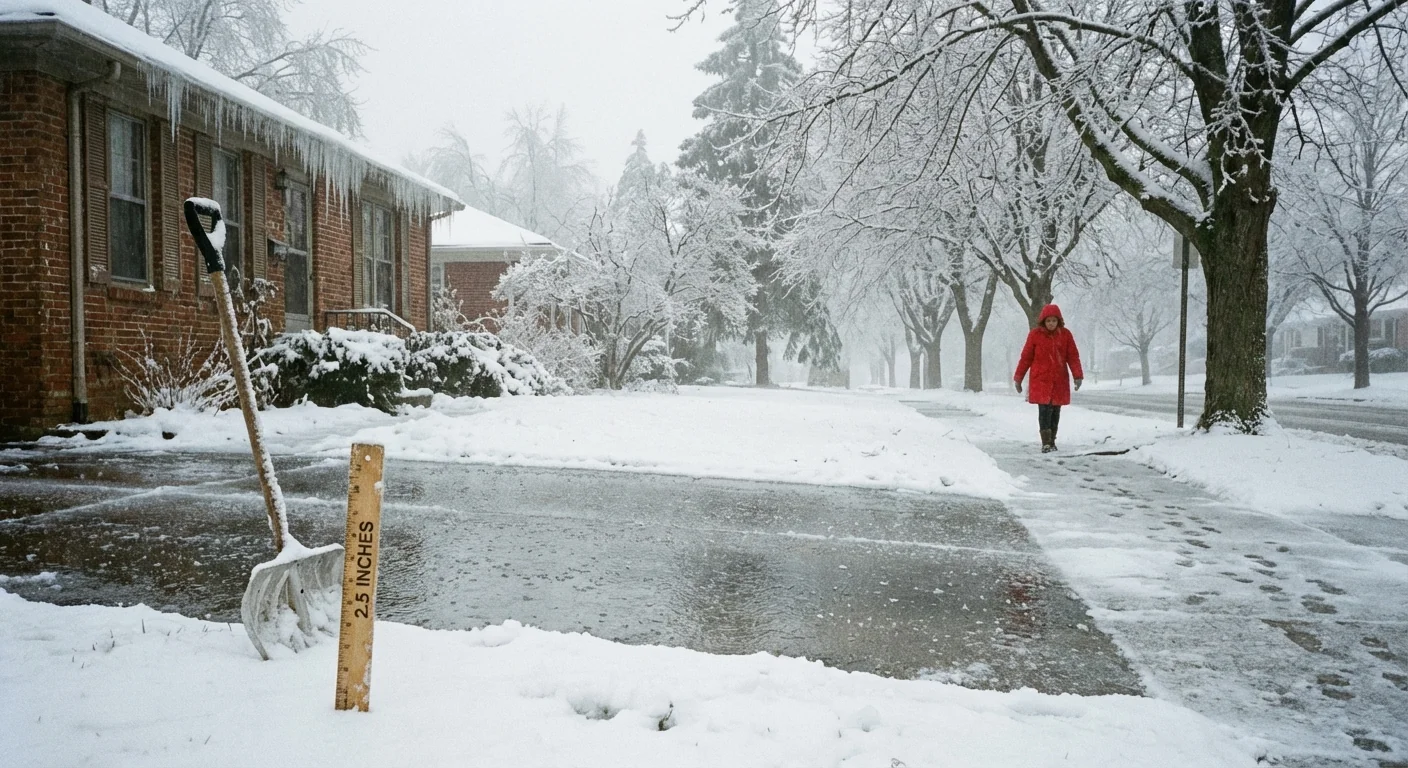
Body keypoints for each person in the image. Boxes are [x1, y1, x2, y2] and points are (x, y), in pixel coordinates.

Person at [1013, 303, 1083, 453]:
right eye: (1048, 320)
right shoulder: (1035, 335)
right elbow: (1026, 358)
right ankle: (1045, 442)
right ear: (1043, 321)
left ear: (1059, 321)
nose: (1051, 323)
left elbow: (1073, 357)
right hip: (1041, 380)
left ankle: (1052, 441)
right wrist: (1018, 378)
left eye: (1054, 320)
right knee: (1044, 410)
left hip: (1059, 380)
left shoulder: (1065, 335)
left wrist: (1078, 376)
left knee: (1055, 411)